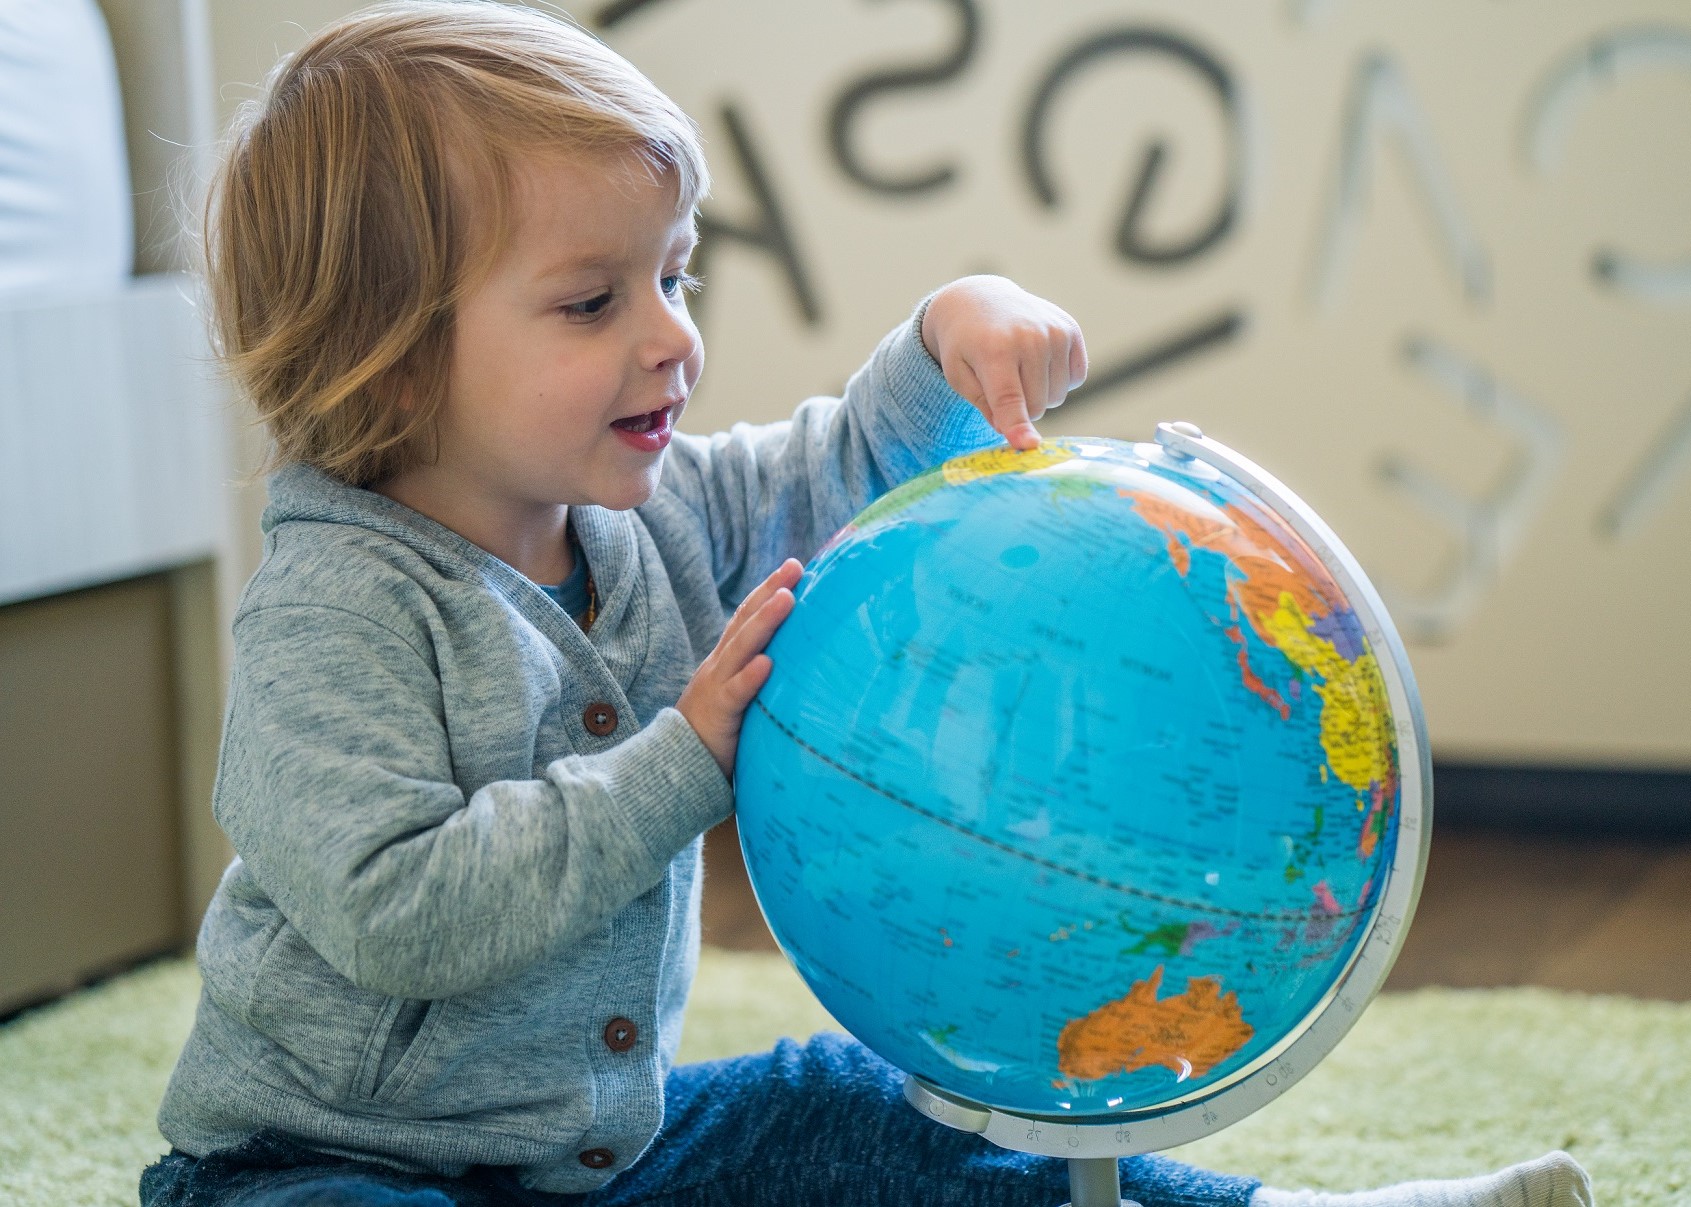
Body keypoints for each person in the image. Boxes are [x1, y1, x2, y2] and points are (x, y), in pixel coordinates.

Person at [141, 4, 1592, 1205]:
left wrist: (939, 340)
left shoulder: (650, 521)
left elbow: (823, 471)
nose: (672, 340)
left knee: (881, 1110)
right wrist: (678, 768)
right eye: (593, 304)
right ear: (390, 366)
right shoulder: (334, 613)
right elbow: (399, 911)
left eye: (675, 274)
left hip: (606, 1159)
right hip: (325, 1165)